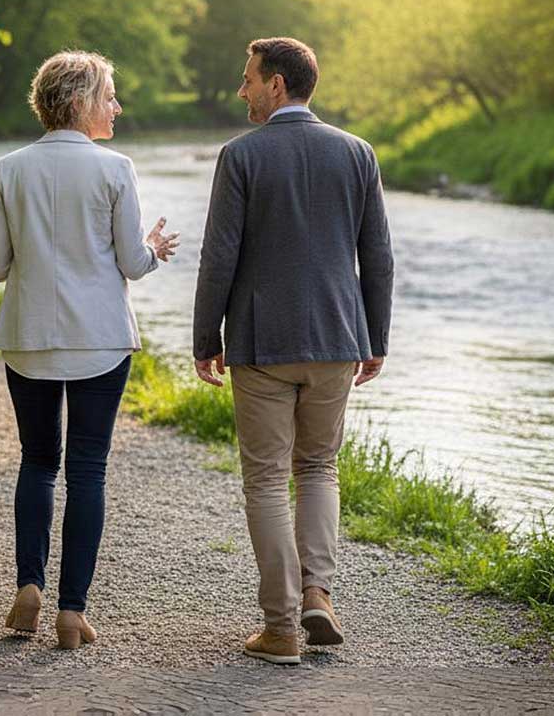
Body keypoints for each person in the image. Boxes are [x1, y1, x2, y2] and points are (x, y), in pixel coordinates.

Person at [192, 36, 393, 665]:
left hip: (263, 341)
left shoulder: (241, 156)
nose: (242, 89)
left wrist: (206, 339)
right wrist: (375, 338)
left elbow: (219, 255)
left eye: (248, 78)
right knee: (318, 469)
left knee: (267, 479)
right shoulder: (357, 153)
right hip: (338, 337)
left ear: (276, 84)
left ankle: (280, 629)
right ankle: (319, 596)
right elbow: (378, 256)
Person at [0, 50, 180, 650]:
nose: (117, 106)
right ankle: (72, 613)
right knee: (87, 469)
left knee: (38, 461)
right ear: (80, 101)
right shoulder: (116, 168)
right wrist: (152, 248)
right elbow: (131, 263)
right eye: (109, 96)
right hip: (99, 339)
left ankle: (27, 586)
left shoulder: (10, 167)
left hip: (29, 337)